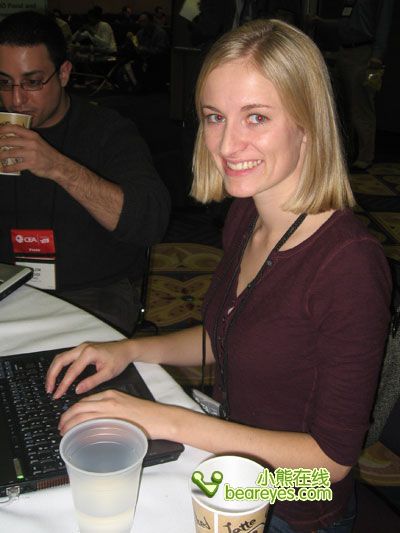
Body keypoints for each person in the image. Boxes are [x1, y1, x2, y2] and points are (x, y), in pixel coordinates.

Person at [46, 19, 392, 532]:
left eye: (256, 117)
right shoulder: (248, 214)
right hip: (225, 459)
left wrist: (168, 421)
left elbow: (330, 468)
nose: (227, 145)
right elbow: (226, 334)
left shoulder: (349, 267)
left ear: (308, 122)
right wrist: (129, 349)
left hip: (295, 504)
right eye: (215, 117)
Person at [0, 11, 170, 335]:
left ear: (64, 73)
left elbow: (151, 222)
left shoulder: (108, 132)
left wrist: (57, 166)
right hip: (10, 285)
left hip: (94, 290)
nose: (16, 100)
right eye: (5, 82)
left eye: (33, 82)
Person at [311, 0, 394, 171]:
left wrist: (377, 56)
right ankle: (347, 152)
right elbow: (347, 24)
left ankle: (365, 156)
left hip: (364, 53)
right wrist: (321, 22)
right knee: (345, 107)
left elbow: (383, 25)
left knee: (361, 106)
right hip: (345, 51)